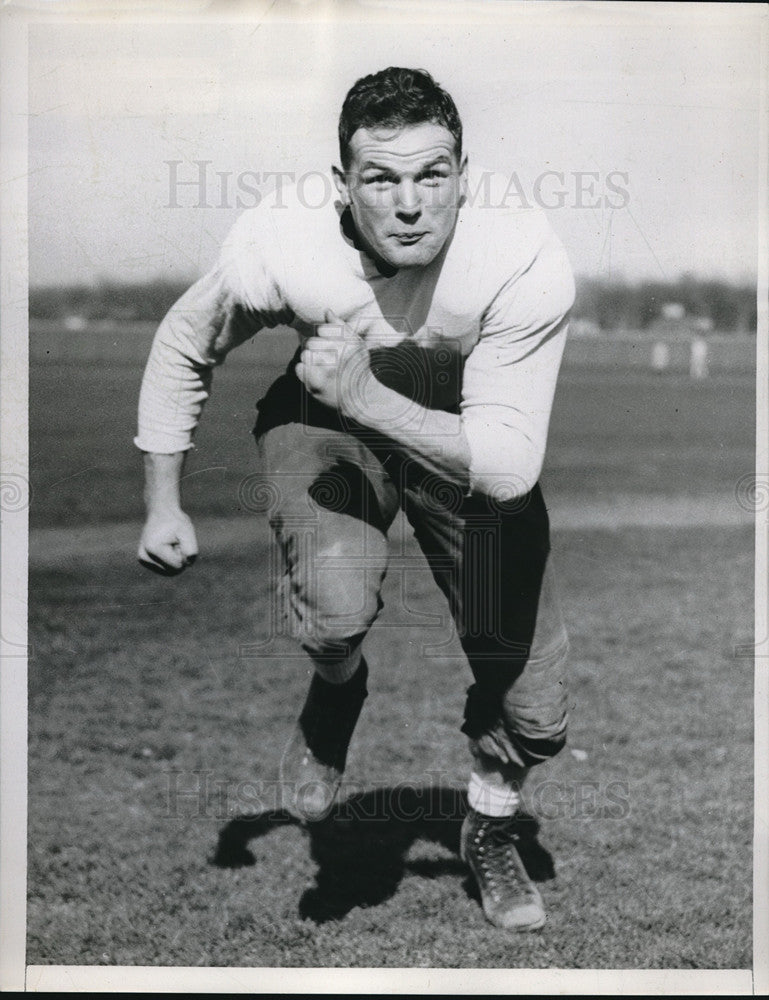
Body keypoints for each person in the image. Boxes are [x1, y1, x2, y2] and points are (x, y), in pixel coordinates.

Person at [135, 67, 574, 932]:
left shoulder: (521, 253)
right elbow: (185, 343)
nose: (411, 204)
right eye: (382, 178)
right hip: (324, 417)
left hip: (462, 434)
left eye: (432, 175)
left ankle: (488, 826)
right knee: (333, 606)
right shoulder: (280, 239)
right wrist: (162, 502)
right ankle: (336, 689)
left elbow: (508, 466)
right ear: (343, 185)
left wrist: (373, 397)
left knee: (536, 705)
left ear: (463, 175)